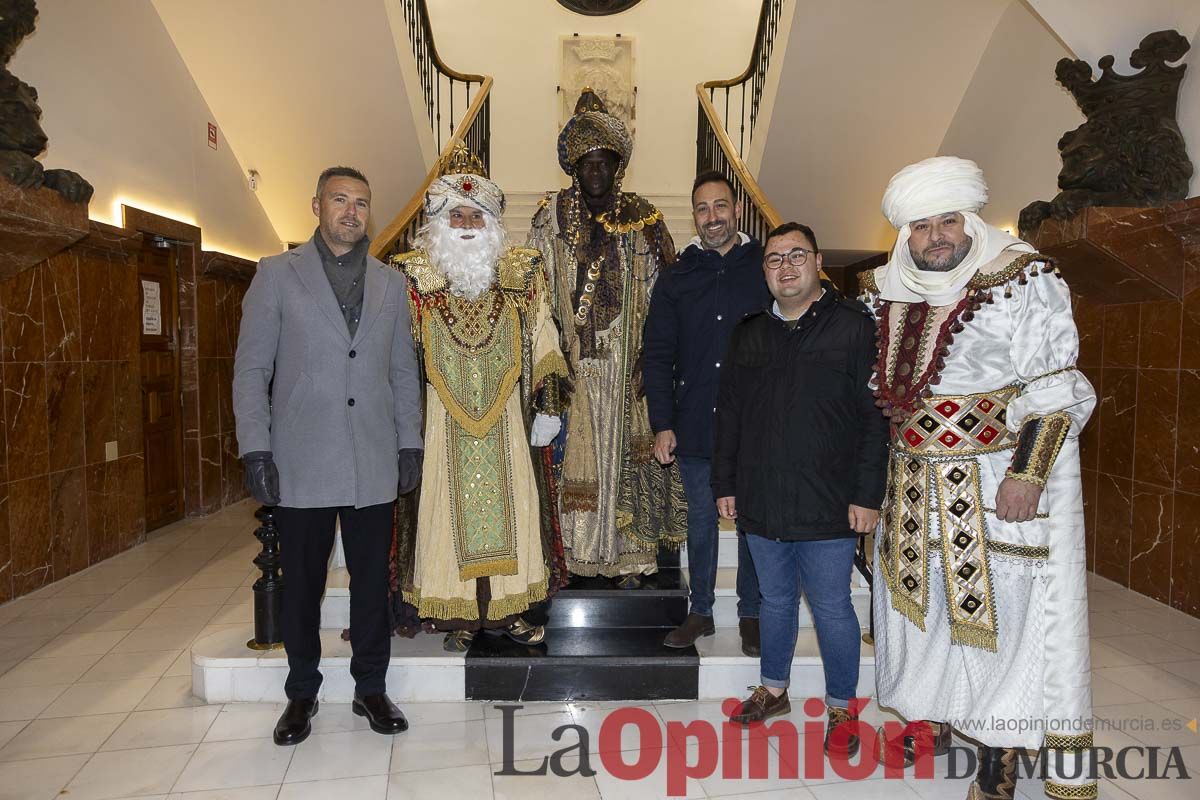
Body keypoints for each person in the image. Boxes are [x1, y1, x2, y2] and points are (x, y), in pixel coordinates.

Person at [863, 156, 1096, 800]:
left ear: (970, 221)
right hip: (910, 489)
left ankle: (1001, 757)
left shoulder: (1022, 276)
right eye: (920, 225)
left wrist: (1027, 474)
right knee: (925, 616)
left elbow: (1056, 390)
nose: (935, 235)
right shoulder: (888, 289)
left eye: (947, 221)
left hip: (992, 486)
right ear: (903, 234)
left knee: (1006, 624)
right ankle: (939, 718)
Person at [233, 166, 421, 746]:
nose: (351, 212)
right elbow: (252, 369)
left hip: (372, 459)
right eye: (340, 200)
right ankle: (301, 693)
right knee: (303, 585)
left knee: (370, 583)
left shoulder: (392, 285)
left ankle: (371, 687)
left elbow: (401, 373)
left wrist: (409, 441)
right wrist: (255, 447)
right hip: (302, 461)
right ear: (316, 204)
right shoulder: (275, 276)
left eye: (361, 203)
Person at [714, 222, 888, 756]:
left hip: (829, 500)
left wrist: (867, 494)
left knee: (833, 606)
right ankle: (773, 688)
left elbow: (873, 419)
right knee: (775, 599)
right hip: (763, 496)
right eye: (773, 259)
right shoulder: (749, 332)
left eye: (796, 256)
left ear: (817, 262)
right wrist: (726, 482)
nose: (785, 267)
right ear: (763, 270)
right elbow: (732, 418)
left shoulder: (856, 328)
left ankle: (842, 707)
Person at [389, 159, 571, 653]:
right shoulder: (413, 280)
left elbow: (544, 337)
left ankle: (509, 611)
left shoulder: (520, 276)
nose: (467, 227)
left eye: (477, 217)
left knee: (517, 513)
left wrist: (549, 400)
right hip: (440, 426)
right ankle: (460, 613)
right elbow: (397, 357)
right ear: (439, 224)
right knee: (444, 519)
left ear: (492, 226)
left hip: (509, 424)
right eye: (457, 216)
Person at [526, 89, 686, 584]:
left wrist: (653, 358)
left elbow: (667, 295)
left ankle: (628, 559)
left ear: (618, 167)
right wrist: (548, 358)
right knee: (571, 458)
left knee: (625, 462)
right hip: (570, 359)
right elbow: (533, 288)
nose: (596, 174)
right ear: (573, 168)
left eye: (604, 164)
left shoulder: (643, 218)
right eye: (586, 164)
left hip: (625, 360)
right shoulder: (548, 217)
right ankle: (571, 554)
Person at [643, 171, 768, 654]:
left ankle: (752, 612)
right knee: (701, 518)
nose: (712, 217)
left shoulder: (764, 265)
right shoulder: (677, 276)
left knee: (752, 518)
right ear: (693, 216)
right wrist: (662, 423)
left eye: (720, 206)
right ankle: (701, 611)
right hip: (694, 419)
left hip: (755, 423)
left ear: (736, 209)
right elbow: (657, 353)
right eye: (702, 208)